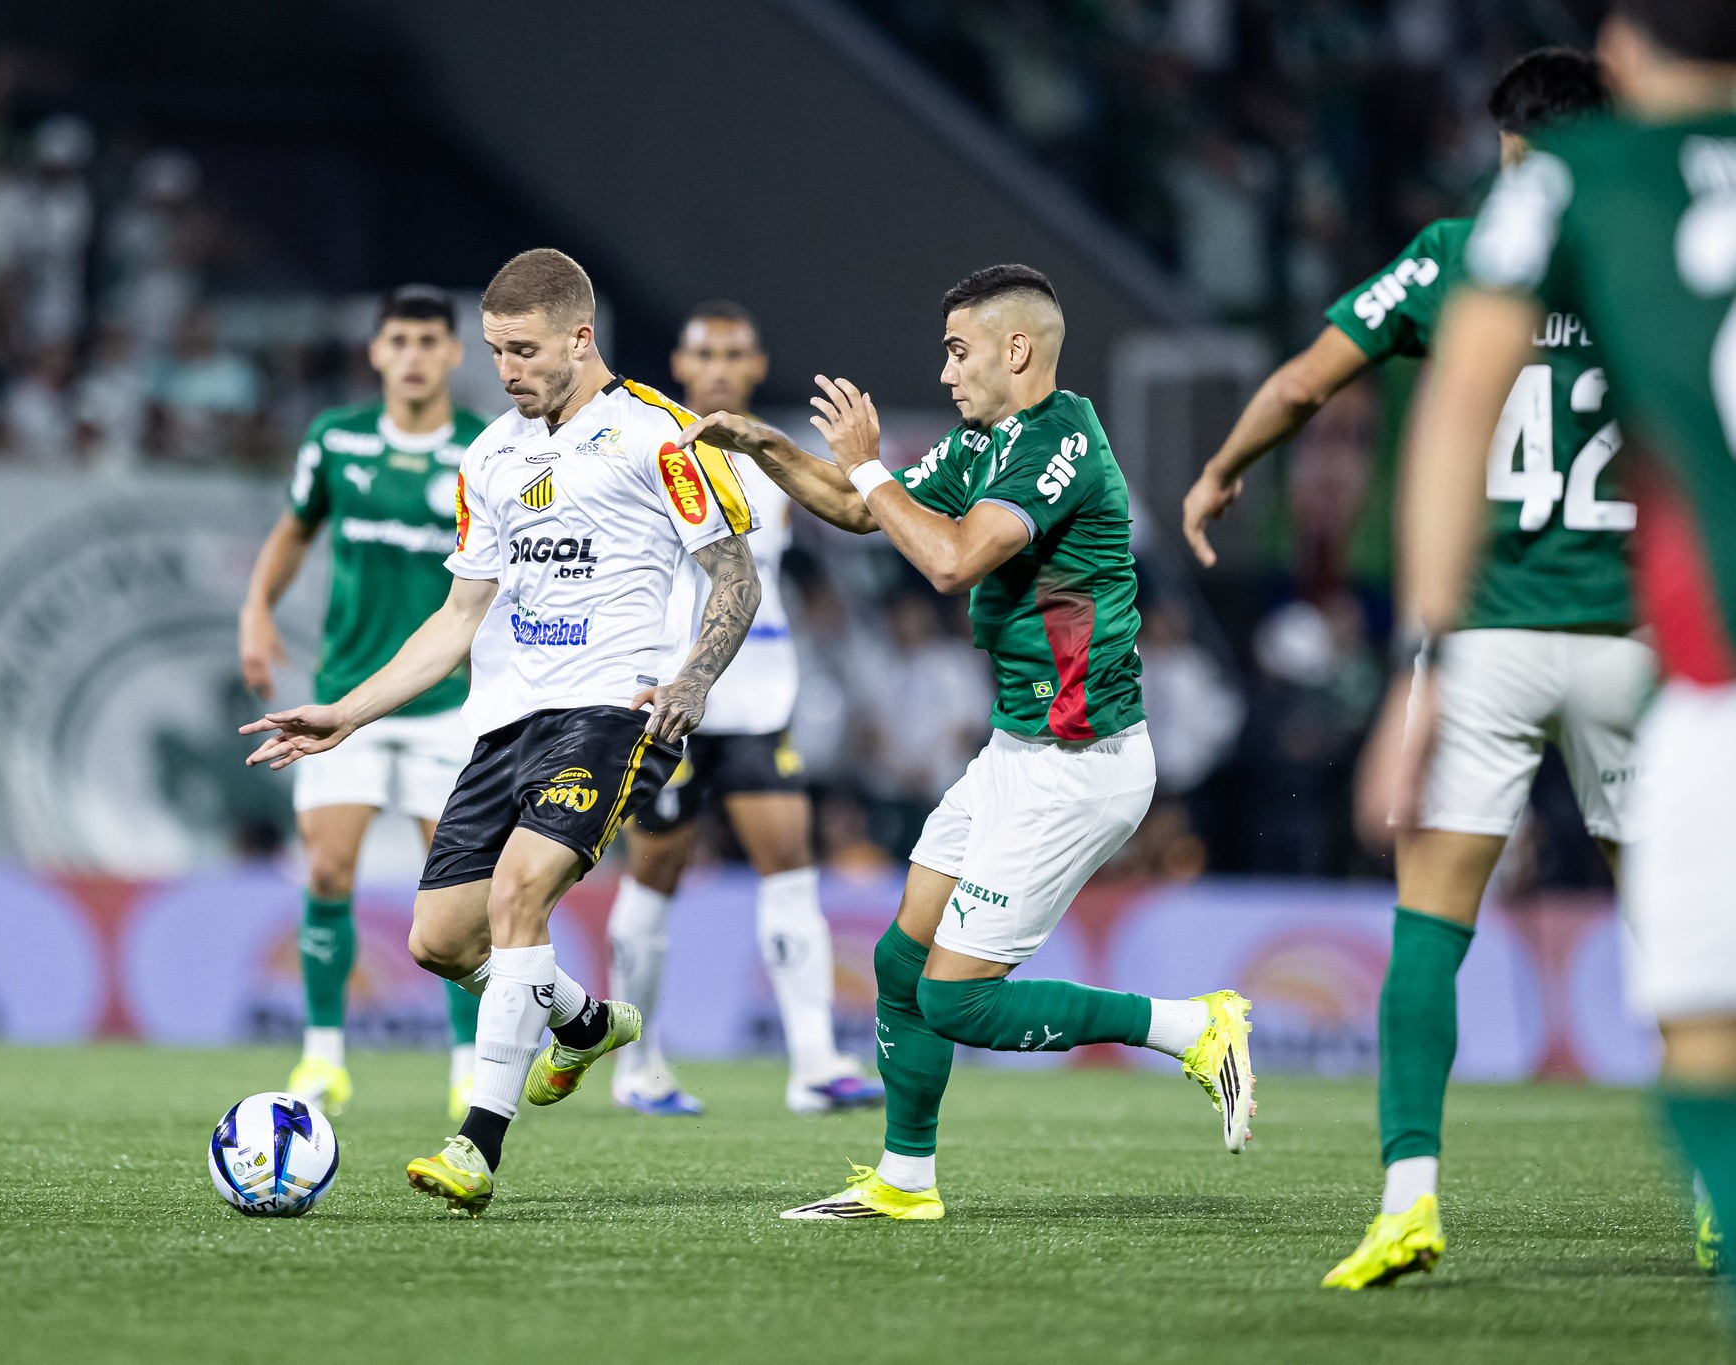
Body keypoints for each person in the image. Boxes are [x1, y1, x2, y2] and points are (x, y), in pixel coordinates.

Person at [1182, 49, 1645, 1289]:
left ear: (1504, 143)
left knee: (1429, 927)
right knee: (1678, 929)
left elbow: (1303, 382)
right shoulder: (1655, 250)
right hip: (1631, 638)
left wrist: (1224, 469)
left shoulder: (1455, 257)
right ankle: (1720, 1200)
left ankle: (1406, 1201)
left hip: (1483, 639)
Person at [683, 264, 1252, 1221]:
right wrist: (767, 445)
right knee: (900, 967)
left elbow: (949, 561)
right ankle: (904, 1180)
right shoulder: (986, 443)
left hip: (1080, 766)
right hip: (1015, 751)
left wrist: (868, 463)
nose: (945, 372)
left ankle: (1191, 1025)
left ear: (1015, 349)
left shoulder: (1059, 443)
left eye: (957, 352)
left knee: (956, 1001)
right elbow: (863, 509)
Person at [242, 248, 761, 1216]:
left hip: (616, 714)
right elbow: (456, 619)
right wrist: (345, 714)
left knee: (521, 895)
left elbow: (734, 573)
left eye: (523, 351)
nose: (506, 370)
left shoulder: (661, 434)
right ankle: (584, 1021)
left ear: (580, 337)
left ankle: (475, 1145)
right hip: (504, 724)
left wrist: (694, 676)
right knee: (440, 941)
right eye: (495, 351)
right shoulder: (488, 456)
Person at [1396, 0, 1736, 1318]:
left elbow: (1450, 401)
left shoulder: (1572, 185)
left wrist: (1422, 650)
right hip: (1639, 659)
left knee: (1697, 1013)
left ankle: (1405, 1191)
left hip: (1680, 661)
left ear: (1627, 51)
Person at [606, 301, 883, 1117]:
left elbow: (851, 512)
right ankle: (638, 1064)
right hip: (672, 695)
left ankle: (814, 1063)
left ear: (756, 366)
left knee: (790, 866)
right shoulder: (651, 448)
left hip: (760, 697)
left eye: (735, 354)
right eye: (706, 354)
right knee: (654, 873)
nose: (720, 368)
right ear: (681, 365)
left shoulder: (775, 457)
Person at [238, 284, 488, 1121]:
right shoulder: (335, 440)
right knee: (325, 868)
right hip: (343, 699)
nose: (413, 356)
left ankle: (467, 1065)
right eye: (399, 341)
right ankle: (322, 1056)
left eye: (428, 341)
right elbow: (294, 528)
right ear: (377, 352)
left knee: (454, 891)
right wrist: (256, 608)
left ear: (452, 353)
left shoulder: (484, 449)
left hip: (444, 705)